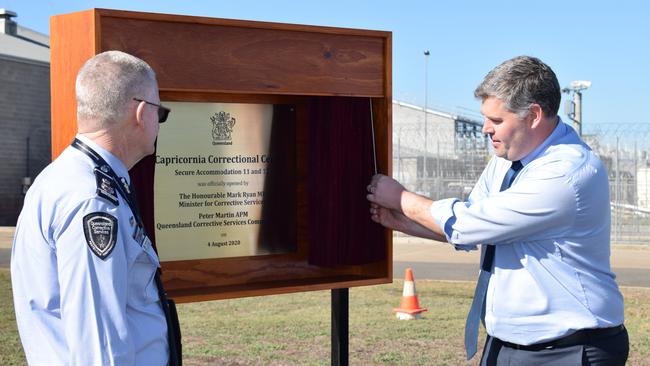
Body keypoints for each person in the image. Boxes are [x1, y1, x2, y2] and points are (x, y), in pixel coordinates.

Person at [367, 56, 628, 365]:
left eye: (497, 120)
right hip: (507, 344)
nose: (485, 129)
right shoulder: (506, 160)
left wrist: (399, 198)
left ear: (533, 115)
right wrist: (399, 221)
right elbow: (474, 229)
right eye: (485, 118)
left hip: (567, 349)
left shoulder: (565, 173)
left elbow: (467, 224)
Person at [11, 50, 180, 365]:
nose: (159, 122)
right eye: (161, 112)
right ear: (141, 112)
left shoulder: (70, 178)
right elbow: (99, 343)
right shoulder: (92, 201)